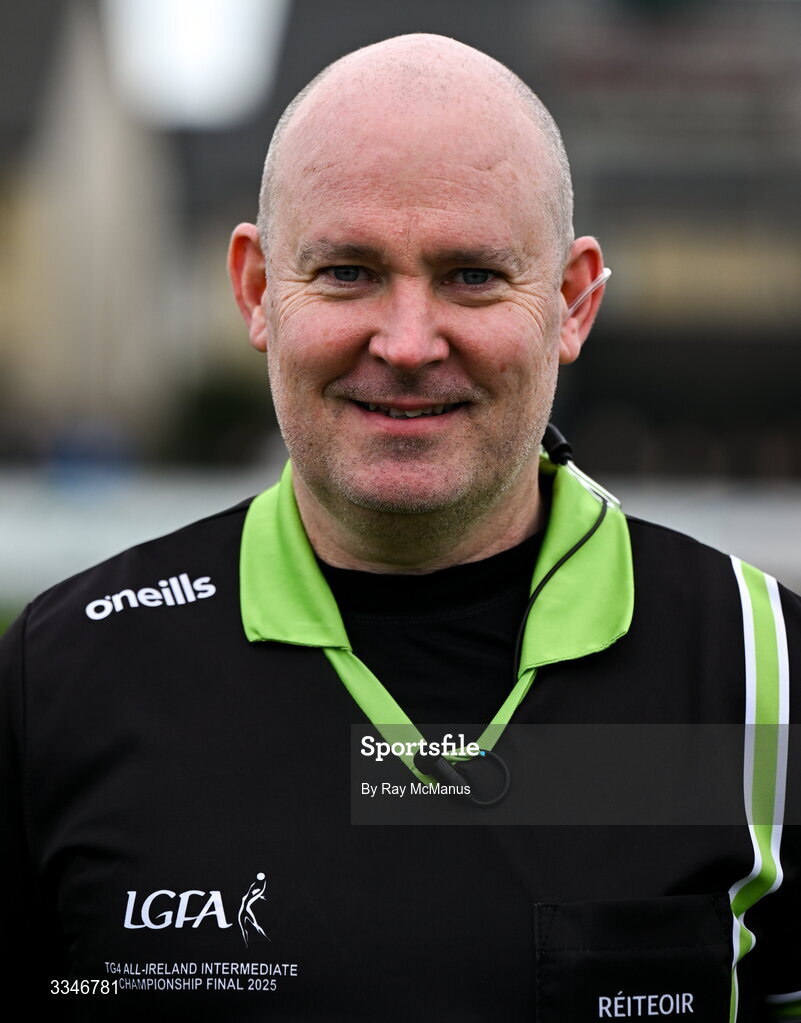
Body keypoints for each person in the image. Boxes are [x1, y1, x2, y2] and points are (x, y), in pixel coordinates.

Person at [1, 32, 799, 1022]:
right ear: (256, 290)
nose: (409, 343)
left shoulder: (765, 670)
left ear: (572, 301)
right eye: (346, 272)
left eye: (472, 276)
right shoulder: (66, 677)